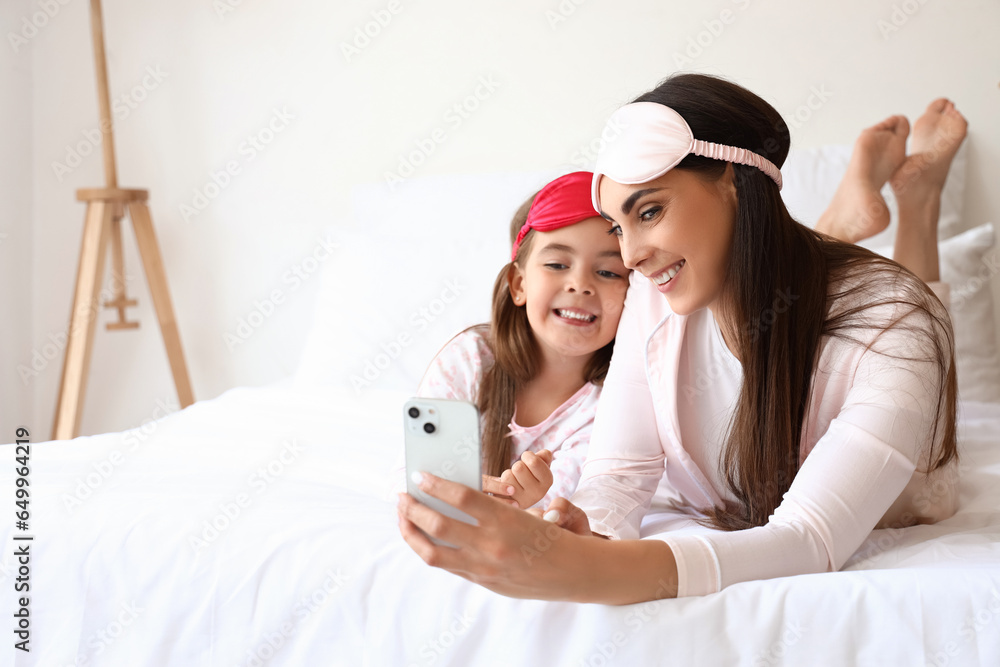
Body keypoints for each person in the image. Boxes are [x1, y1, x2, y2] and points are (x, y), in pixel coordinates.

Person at [397, 73, 967, 603]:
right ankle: (847, 215)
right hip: (773, 265)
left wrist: (591, 571)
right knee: (780, 271)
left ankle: (919, 203)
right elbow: (620, 474)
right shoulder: (655, 295)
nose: (629, 256)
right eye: (619, 227)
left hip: (901, 489)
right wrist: (586, 533)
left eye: (650, 211)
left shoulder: (895, 323)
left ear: (731, 184)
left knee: (913, 310)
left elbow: (810, 538)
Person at [415, 171, 630, 509]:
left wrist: (527, 505)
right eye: (558, 264)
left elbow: (572, 508)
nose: (580, 284)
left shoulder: (617, 402)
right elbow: (420, 477)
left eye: (608, 272)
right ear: (519, 285)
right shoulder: (470, 358)